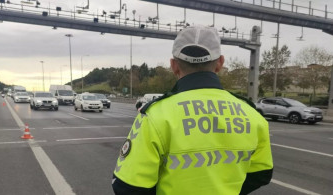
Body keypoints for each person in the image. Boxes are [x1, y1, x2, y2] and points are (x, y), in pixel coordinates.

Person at [112, 25, 273, 195]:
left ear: (174, 66)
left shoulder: (155, 115)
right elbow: (261, 174)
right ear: (220, 63)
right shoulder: (252, 115)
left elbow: (127, 187)